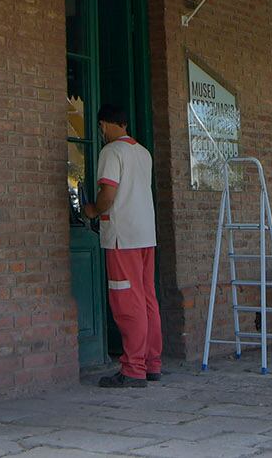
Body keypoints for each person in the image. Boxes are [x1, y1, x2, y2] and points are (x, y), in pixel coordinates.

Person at [80, 103, 162, 388]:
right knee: (148, 298)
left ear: (106, 124)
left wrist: (91, 210)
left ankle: (133, 368)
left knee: (128, 301)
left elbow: (108, 193)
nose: (101, 132)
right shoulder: (143, 153)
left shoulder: (111, 152)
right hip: (146, 235)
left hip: (122, 236)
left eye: (101, 126)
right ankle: (152, 363)